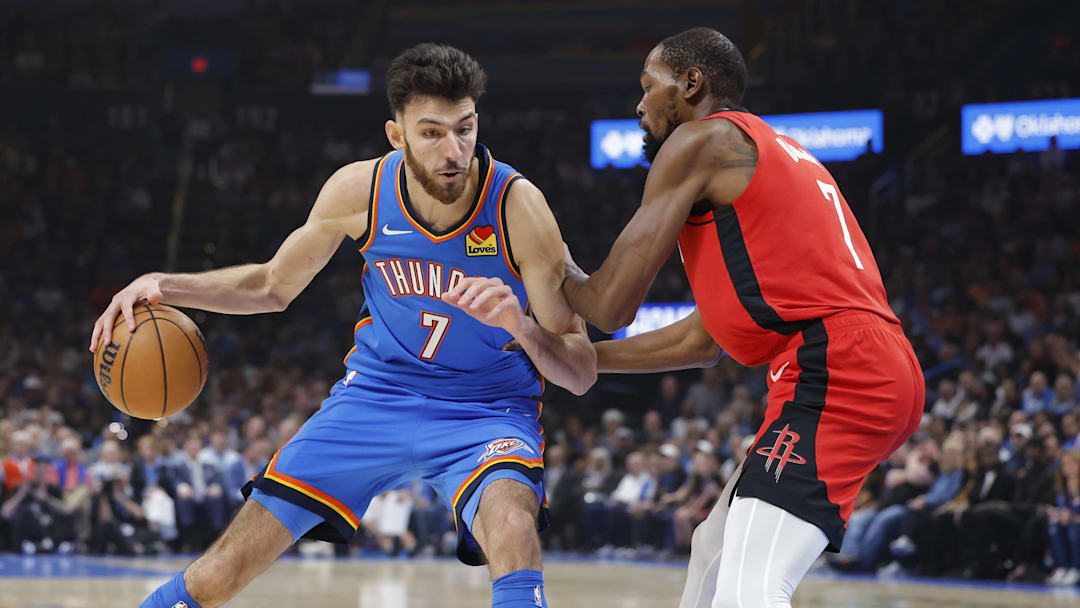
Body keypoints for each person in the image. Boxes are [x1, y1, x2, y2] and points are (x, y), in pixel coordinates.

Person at [89, 43, 594, 608]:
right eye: (431, 133)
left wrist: (521, 326)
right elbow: (272, 286)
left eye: (465, 128)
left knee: (513, 529)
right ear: (396, 136)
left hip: (484, 410)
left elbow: (580, 371)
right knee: (222, 570)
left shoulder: (518, 209)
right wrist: (163, 283)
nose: (454, 150)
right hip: (375, 397)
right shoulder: (361, 190)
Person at [559, 28, 924, 608]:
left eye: (647, 87)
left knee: (750, 591)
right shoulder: (768, 153)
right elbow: (706, 338)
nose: (639, 104)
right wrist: (588, 358)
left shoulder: (700, 141)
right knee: (714, 551)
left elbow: (609, 304)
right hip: (865, 360)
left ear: (691, 84)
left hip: (836, 368)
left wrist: (546, 269)